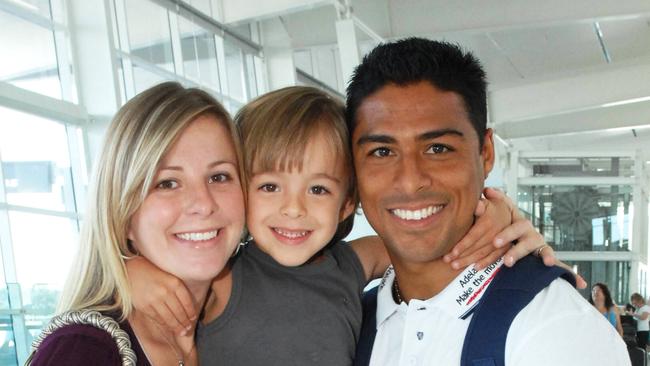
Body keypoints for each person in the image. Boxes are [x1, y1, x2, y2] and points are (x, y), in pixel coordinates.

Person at [127, 86, 559, 365]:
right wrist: (133, 273)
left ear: (346, 201)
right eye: (270, 186)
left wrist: (498, 219)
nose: (293, 209)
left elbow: (429, 237)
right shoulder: (222, 277)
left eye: (318, 190)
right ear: (242, 191)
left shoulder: (353, 262)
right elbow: (155, 278)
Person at [347, 38, 629, 365]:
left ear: (486, 153)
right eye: (382, 152)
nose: (410, 181)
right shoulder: (345, 325)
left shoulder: (558, 330)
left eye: (438, 149)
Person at [27, 82, 246, 365]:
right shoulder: (84, 349)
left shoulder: (237, 325)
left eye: (219, 177)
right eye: (167, 183)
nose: (203, 204)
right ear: (123, 212)